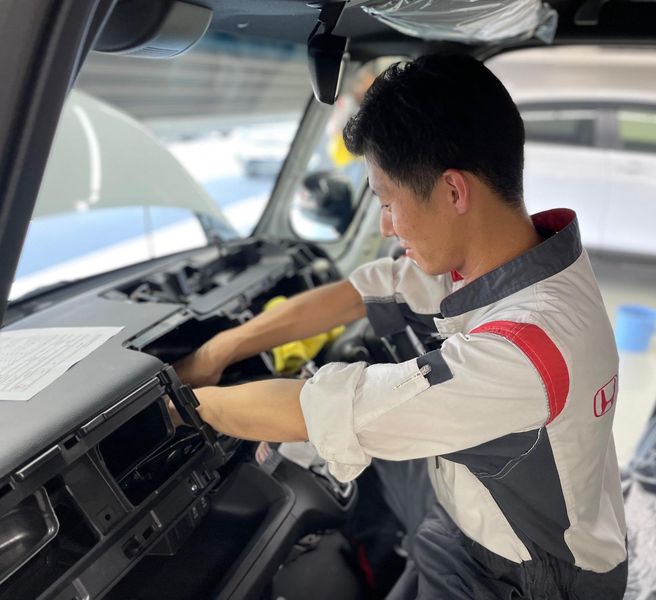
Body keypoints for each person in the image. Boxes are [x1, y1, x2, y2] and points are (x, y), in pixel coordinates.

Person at [175, 54, 628, 599]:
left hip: (528, 575)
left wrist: (183, 407)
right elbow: (361, 293)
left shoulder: (522, 351)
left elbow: (326, 410)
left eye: (388, 201)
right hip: (490, 505)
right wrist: (220, 350)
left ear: (454, 191)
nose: (386, 226)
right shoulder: (522, 261)